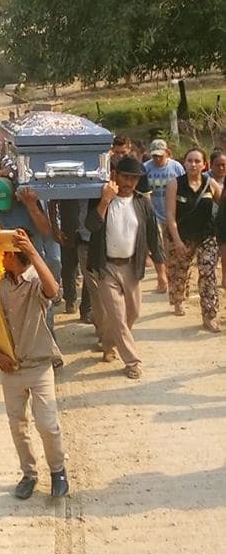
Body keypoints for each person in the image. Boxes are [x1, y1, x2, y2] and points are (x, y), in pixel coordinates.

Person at [0, 229, 68, 499]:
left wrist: (32, 250)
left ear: (13, 255)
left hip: (39, 365)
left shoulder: (35, 281)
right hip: (10, 367)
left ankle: (58, 471)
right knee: (17, 424)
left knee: (47, 424)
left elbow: (53, 291)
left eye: (5, 252)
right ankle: (29, 473)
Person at [86, 156, 165, 379]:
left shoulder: (142, 203)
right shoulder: (102, 198)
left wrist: (161, 273)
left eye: (134, 178)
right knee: (118, 316)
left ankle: (109, 342)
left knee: (133, 313)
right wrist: (104, 201)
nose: (129, 182)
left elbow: (153, 238)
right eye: (125, 177)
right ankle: (132, 361)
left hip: (132, 266)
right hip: (106, 267)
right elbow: (91, 225)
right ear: (116, 176)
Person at [165, 148, 222, 332]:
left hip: (207, 236)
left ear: (204, 165)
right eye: (190, 161)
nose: (193, 164)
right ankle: (179, 300)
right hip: (181, 236)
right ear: (184, 163)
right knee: (179, 271)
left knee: (208, 274)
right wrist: (178, 241)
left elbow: (224, 204)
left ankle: (209, 315)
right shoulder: (175, 184)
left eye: (197, 161)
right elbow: (170, 216)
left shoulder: (211, 184)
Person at [0, 155, 52, 252]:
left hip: (29, 258)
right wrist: (1, 173)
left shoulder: (26, 201)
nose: (2, 209)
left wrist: (31, 206)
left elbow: (46, 231)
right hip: (3, 257)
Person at [143, 139, 184, 293]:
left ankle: (170, 274)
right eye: (155, 156)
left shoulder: (176, 167)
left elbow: (184, 186)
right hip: (154, 213)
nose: (158, 159)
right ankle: (162, 277)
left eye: (160, 155)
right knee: (157, 247)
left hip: (173, 214)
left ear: (167, 152)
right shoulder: (146, 168)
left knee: (171, 247)